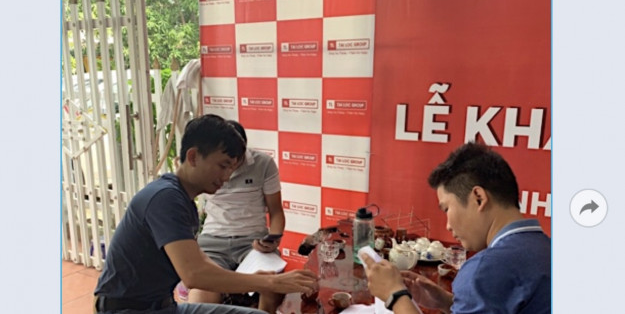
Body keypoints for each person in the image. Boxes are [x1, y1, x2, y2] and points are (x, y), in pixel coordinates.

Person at [93, 114, 317, 314]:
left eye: (232, 168)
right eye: (223, 166)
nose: (227, 177)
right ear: (193, 157)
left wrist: (258, 279)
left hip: (163, 306)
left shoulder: (182, 199)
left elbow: (200, 261)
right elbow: (194, 275)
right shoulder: (165, 198)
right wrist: (269, 283)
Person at [361, 142, 551, 314]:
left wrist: (395, 295)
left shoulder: (485, 269)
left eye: (447, 209)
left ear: (478, 198)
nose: (448, 226)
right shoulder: (545, 247)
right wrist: (448, 302)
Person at [189, 120, 286, 312]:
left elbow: (276, 212)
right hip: (212, 241)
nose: (228, 174)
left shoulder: (263, 163)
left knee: (272, 285)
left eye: (235, 162)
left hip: (253, 243)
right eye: (223, 164)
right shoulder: (203, 166)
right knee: (201, 298)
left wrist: (272, 239)